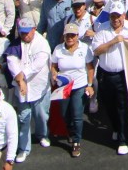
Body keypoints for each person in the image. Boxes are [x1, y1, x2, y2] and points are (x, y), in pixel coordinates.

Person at [91, 1, 128, 155]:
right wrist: (113, 41)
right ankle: (117, 128)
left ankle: (123, 139)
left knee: (122, 107)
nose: (115, 19)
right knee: (109, 106)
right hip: (105, 75)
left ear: (124, 16)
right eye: (113, 16)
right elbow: (96, 51)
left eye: (118, 16)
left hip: (123, 74)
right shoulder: (102, 29)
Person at [7, 18, 51, 163]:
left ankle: (42, 134)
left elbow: (37, 65)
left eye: (27, 33)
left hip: (39, 86)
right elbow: (12, 62)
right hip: (22, 88)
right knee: (23, 118)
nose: (25, 36)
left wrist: (23, 75)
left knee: (41, 115)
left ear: (34, 29)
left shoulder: (42, 43)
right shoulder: (15, 43)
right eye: (22, 33)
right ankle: (23, 149)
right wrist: (20, 80)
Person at [50, 23, 95, 157]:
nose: (69, 38)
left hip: (79, 85)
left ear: (77, 36)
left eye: (72, 35)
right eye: (67, 35)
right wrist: (54, 73)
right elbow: (53, 66)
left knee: (77, 115)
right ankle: (71, 131)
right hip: (64, 87)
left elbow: (90, 68)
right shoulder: (58, 49)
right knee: (64, 114)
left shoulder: (84, 48)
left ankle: (76, 142)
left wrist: (90, 84)